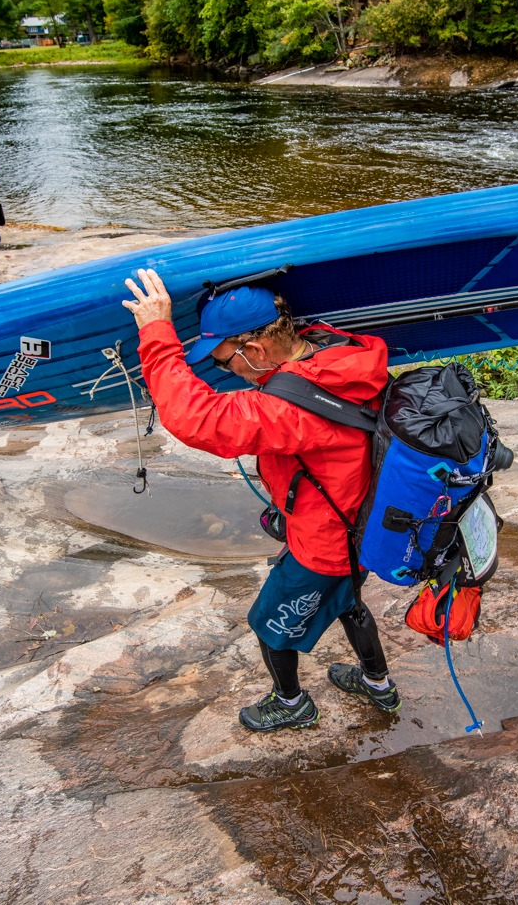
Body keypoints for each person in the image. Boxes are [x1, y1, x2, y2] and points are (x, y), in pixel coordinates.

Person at [122, 268, 401, 733]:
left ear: (253, 350)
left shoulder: (289, 409)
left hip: (324, 544)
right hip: (361, 523)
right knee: (350, 603)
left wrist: (155, 331)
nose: (224, 371)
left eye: (223, 361)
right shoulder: (339, 350)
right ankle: (378, 685)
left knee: (268, 623)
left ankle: (291, 703)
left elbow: (197, 418)